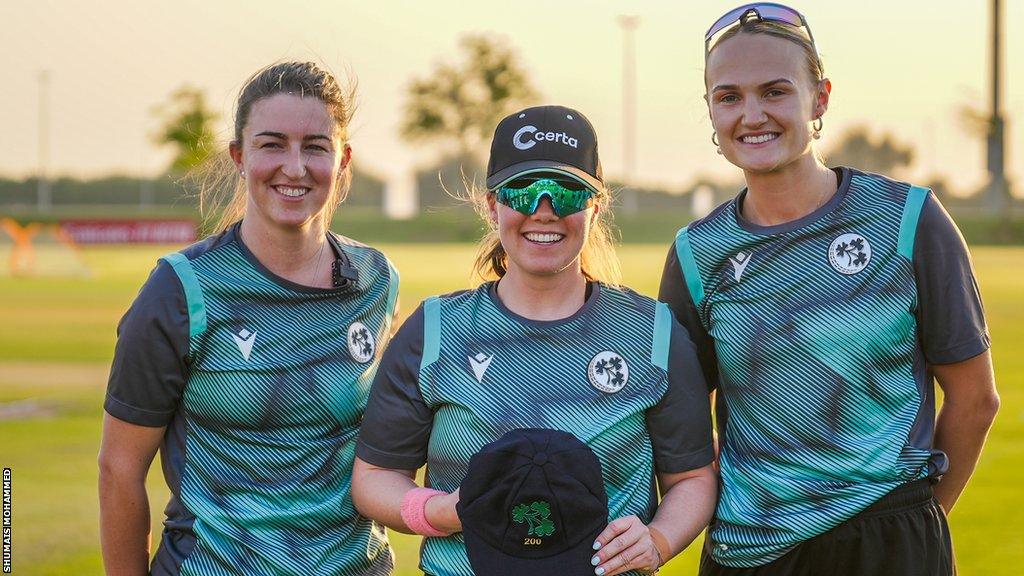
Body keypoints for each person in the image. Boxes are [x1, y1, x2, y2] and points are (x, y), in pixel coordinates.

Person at [658, 4, 1000, 575]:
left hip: (892, 542)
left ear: (818, 99)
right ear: (712, 113)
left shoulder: (907, 221)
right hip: (751, 553)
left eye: (775, 91)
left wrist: (915, 528)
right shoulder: (698, 254)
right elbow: (675, 429)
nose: (752, 114)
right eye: (729, 97)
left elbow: (975, 399)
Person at [352, 105, 717, 576]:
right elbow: (375, 478)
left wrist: (659, 540)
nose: (543, 210)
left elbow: (691, 477)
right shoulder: (436, 330)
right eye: (521, 191)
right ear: (492, 204)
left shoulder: (654, 333)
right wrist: (442, 511)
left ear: (596, 205)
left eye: (568, 192)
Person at [98, 61, 399, 576]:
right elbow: (119, 470)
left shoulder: (377, 280)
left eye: (316, 146)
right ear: (239, 156)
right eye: (272, 144)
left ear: (343, 160)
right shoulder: (181, 289)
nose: (295, 166)